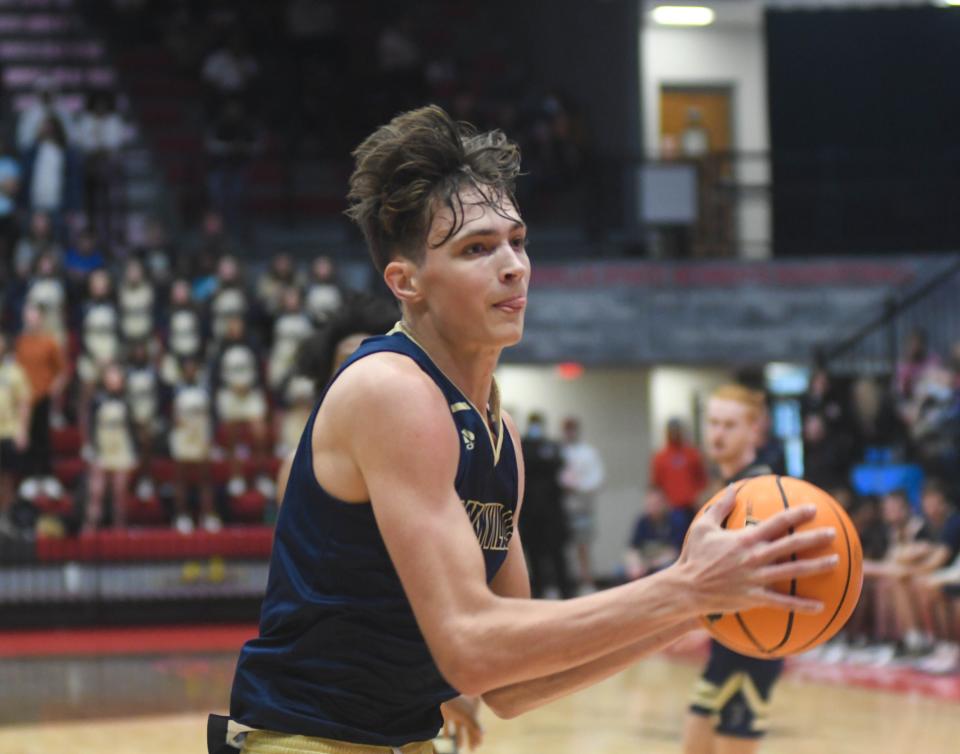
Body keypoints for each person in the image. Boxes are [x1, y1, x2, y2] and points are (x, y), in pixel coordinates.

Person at [217, 106, 836, 754]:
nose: (513, 265)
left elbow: (512, 686)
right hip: (305, 741)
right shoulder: (391, 391)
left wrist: (696, 607)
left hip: (402, 742)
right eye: (476, 249)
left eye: (517, 239)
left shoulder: (499, 433)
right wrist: (683, 586)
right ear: (406, 282)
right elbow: (471, 648)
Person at [683, 384, 785, 754]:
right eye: (712, 423)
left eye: (729, 425)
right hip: (728, 642)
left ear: (755, 430)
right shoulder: (732, 487)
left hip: (753, 642)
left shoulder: (760, 492)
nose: (717, 433)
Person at [15, 302, 68, 500]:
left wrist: (55, 388)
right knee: (26, 437)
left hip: (43, 396)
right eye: (28, 315)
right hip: (24, 400)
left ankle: (47, 476)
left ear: (41, 319)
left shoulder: (50, 342)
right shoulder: (20, 343)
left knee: (43, 437)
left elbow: (61, 370)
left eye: (35, 315)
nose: (31, 319)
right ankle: (30, 477)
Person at [520, 412, 574, 600]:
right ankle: (539, 593)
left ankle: (566, 592)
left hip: (553, 512)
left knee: (558, 554)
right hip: (530, 513)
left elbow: (559, 464)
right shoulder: (522, 444)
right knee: (534, 555)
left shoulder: (551, 445)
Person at [559, 416, 604, 593]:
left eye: (572, 428)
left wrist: (578, 487)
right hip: (563, 509)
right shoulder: (559, 451)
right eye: (566, 429)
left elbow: (598, 479)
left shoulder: (588, 452)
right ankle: (570, 583)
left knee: (583, 547)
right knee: (566, 549)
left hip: (583, 507)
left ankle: (586, 581)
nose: (570, 432)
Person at [651, 417, 707, 538]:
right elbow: (656, 484)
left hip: (692, 507)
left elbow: (701, 479)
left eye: (677, 430)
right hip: (673, 510)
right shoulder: (661, 457)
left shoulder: (691, 454)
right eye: (672, 430)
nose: (675, 433)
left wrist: (700, 497)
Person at [0, 332, 31, 533]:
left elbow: (24, 403)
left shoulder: (14, 372)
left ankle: (5, 518)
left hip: (7, 433)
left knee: (6, 479)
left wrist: (23, 431)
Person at [624, 485, 683, 581]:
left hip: (663, 565)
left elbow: (675, 552)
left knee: (666, 569)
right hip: (645, 563)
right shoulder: (642, 521)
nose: (653, 507)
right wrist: (635, 564)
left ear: (664, 503)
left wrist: (650, 564)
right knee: (621, 570)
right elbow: (632, 549)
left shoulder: (676, 521)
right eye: (649, 504)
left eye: (656, 504)